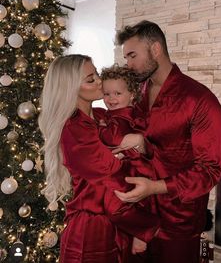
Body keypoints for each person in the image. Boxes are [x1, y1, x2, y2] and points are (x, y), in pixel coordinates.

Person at [114, 20, 221, 263]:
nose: (128, 64)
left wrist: (155, 187)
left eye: (132, 55)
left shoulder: (200, 100)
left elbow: (209, 171)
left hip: (176, 224)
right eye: (126, 58)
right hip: (137, 218)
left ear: (156, 49)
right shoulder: (137, 93)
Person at [38, 54, 160, 263]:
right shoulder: (73, 128)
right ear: (71, 88)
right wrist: (147, 225)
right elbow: (110, 173)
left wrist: (140, 143)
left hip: (121, 220)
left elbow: (144, 147)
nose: (99, 81)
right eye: (90, 79)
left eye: (96, 74)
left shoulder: (102, 116)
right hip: (93, 228)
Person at [98, 64, 158, 256]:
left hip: (134, 170)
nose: (111, 99)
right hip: (131, 167)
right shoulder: (118, 113)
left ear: (132, 94)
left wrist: (99, 128)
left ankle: (146, 227)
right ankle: (140, 232)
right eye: (106, 94)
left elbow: (114, 139)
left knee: (114, 205)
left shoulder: (124, 116)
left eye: (117, 93)